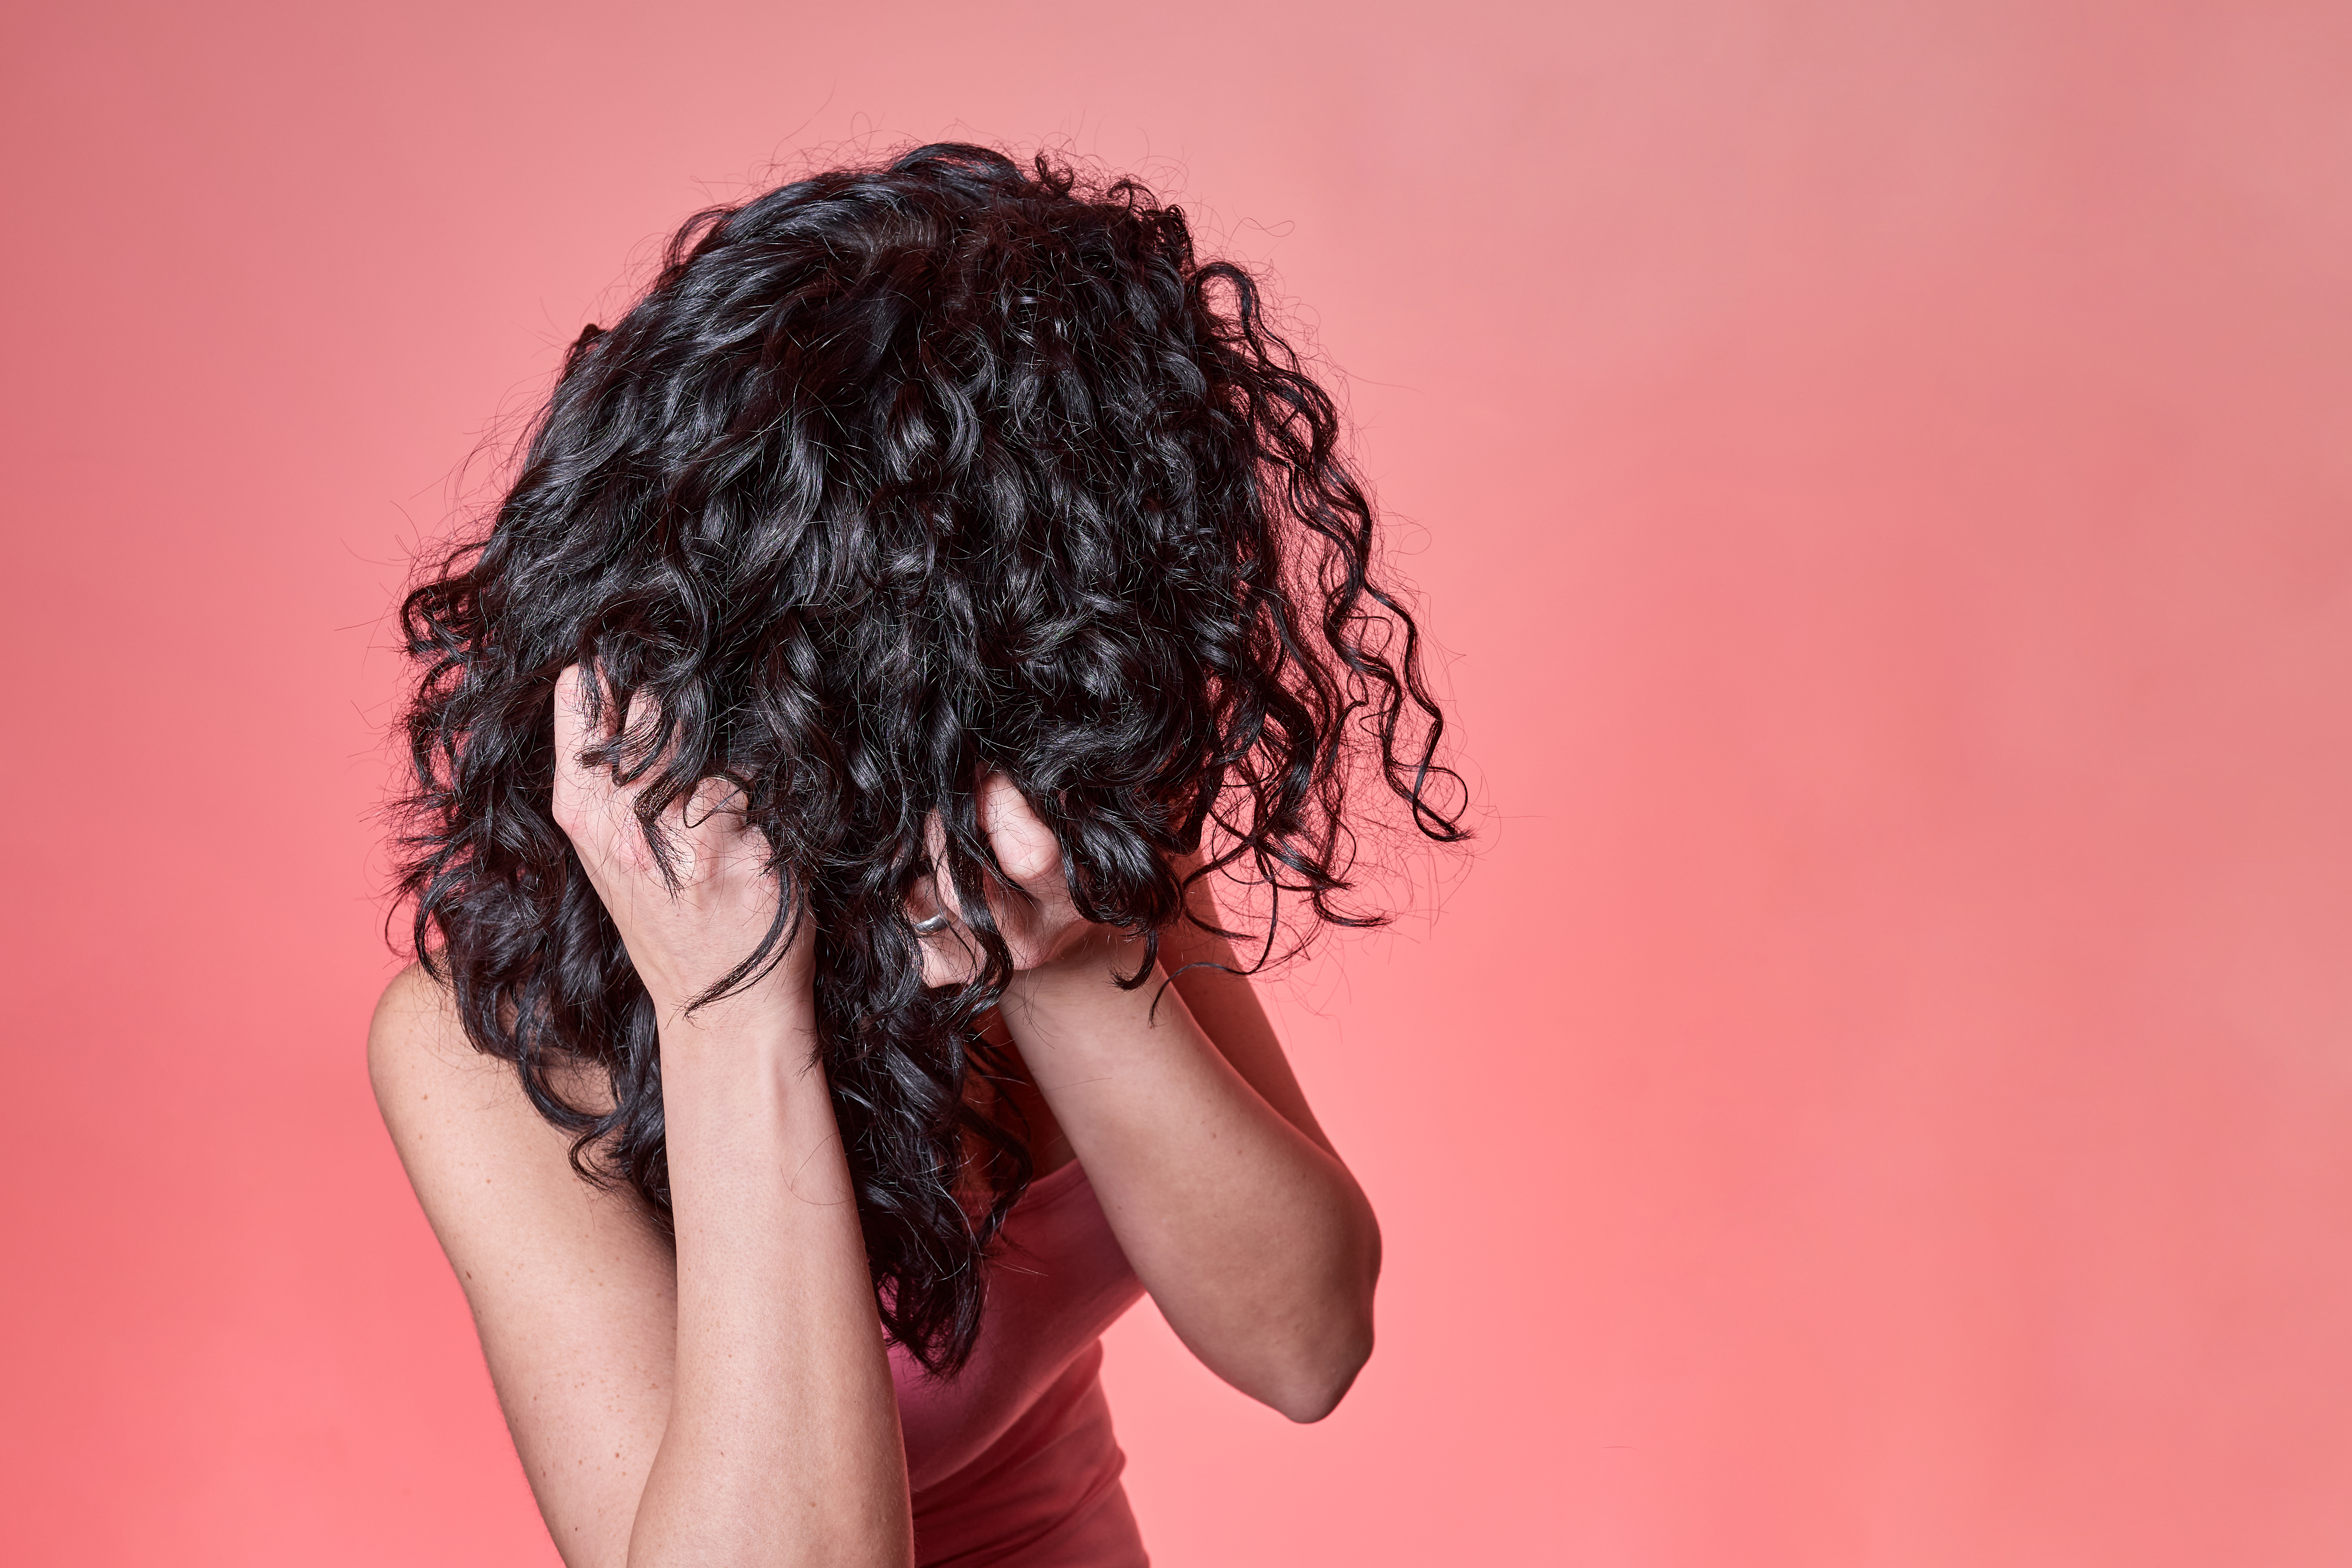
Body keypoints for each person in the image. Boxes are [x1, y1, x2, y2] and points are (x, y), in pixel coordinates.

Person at [368, 142, 1464, 1568]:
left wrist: (1061, 961)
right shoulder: (483, 1046)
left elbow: (1308, 1343)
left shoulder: (1049, 823)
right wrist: (727, 1011)